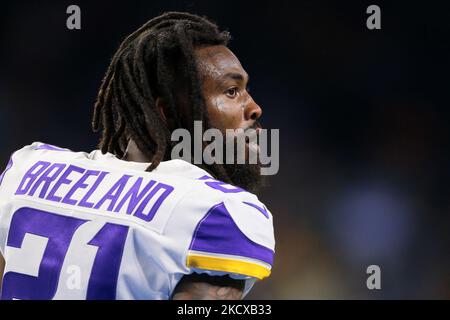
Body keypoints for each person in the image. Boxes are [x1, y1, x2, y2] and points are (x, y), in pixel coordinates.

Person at [0, 12, 275, 300]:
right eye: (232, 91)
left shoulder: (30, 170)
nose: (254, 108)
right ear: (168, 112)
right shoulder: (218, 212)